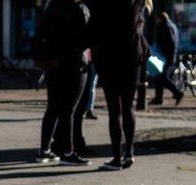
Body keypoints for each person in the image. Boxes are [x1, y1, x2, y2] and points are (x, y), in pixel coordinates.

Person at [34, 0, 91, 165]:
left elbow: (42, 33)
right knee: (69, 110)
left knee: (53, 107)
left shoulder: (52, 6)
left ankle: (44, 150)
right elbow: (87, 36)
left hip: (54, 62)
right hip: (75, 63)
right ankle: (67, 152)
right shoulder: (80, 9)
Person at [93, 0, 147, 171]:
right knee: (128, 107)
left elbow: (96, 28)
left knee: (114, 111)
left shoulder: (104, 6)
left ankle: (116, 158)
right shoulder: (136, 3)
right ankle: (129, 152)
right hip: (131, 59)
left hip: (110, 58)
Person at [152, 11, 184, 105]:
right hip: (167, 55)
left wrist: (169, 56)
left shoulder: (165, 26)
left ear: (160, 18)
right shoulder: (171, 25)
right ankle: (159, 98)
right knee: (159, 77)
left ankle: (177, 93)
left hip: (165, 56)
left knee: (161, 77)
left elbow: (171, 42)